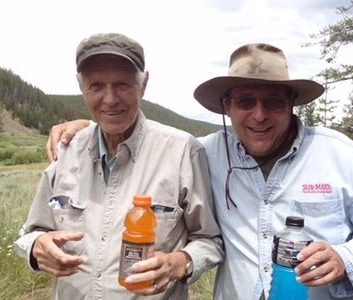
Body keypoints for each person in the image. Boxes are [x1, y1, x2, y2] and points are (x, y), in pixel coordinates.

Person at [47, 43, 353, 300]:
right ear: (226, 106)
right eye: (245, 101)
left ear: (291, 104)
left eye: (272, 102)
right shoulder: (204, 153)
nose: (258, 115)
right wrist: (91, 126)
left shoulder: (338, 154)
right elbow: (148, 140)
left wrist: (346, 259)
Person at [14, 32, 223, 300]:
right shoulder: (66, 150)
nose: (110, 99)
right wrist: (35, 248)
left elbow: (210, 240)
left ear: (143, 84)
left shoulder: (182, 151)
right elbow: (32, 232)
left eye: (123, 84)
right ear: (81, 87)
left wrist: (178, 264)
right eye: (96, 86)